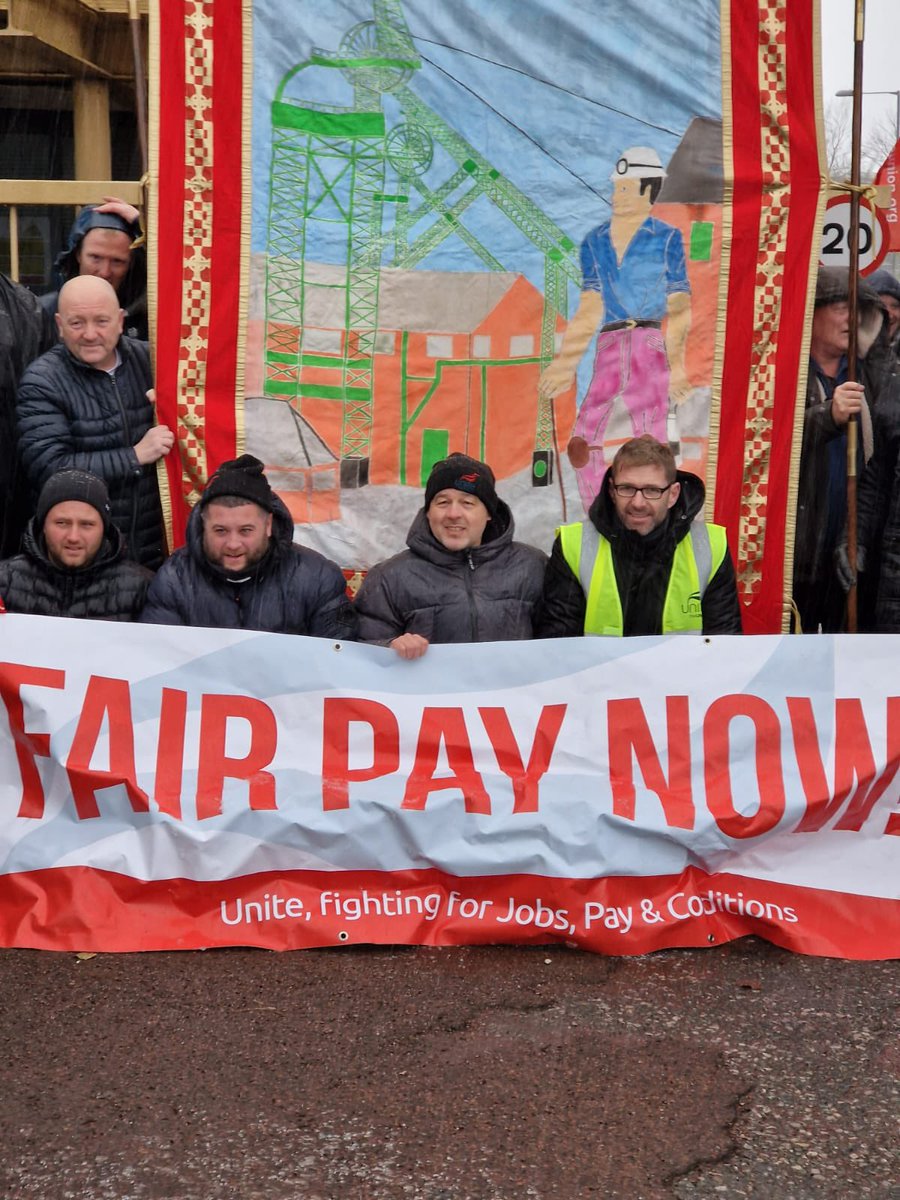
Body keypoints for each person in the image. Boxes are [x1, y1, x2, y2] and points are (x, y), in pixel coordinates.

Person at [538, 147, 692, 511]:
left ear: (647, 190)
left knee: (651, 438)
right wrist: (564, 364)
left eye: (624, 188)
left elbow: (679, 304)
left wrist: (678, 366)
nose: (615, 195)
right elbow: (590, 305)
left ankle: (650, 512)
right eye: (616, 187)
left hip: (649, 344)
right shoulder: (595, 241)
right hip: (610, 342)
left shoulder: (666, 238)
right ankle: (598, 511)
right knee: (583, 440)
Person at [16, 275, 173, 570]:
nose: (90, 334)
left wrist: (173, 410)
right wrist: (134, 456)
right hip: (83, 557)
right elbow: (50, 468)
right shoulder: (42, 381)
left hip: (153, 547)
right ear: (60, 325)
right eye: (77, 323)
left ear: (120, 321)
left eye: (101, 321)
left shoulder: (153, 362)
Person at [538, 435, 741, 637]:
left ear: (673, 494)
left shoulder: (711, 547)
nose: (638, 503)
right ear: (612, 491)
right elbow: (558, 645)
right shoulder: (572, 545)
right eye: (626, 488)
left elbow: (724, 644)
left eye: (652, 490)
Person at [140, 454, 357, 639]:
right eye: (220, 531)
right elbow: (157, 656)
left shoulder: (318, 577)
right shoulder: (175, 578)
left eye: (245, 531)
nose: (233, 544)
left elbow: (339, 658)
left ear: (268, 525)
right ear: (204, 525)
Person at [355, 453, 546, 658]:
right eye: (443, 502)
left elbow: (557, 644)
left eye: (467, 503)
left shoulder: (532, 566)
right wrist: (388, 646)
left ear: (489, 513)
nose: (454, 514)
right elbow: (359, 651)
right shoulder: (388, 578)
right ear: (428, 512)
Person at [792, 268, 884, 633]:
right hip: (797, 556)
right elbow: (770, 440)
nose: (852, 319)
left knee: (844, 654)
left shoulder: (871, 375)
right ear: (811, 314)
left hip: (852, 554)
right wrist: (827, 416)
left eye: (857, 310)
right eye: (841, 308)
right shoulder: (787, 372)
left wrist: (859, 539)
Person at [0, 469, 151, 621]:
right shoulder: (5, 581)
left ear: (104, 529)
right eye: (61, 523)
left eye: (87, 525)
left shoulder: (141, 589)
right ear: (43, 526)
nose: (73, 537)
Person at [41, 198, 148, 341]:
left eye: (117, 261)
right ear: (78, 255)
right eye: (95, 258)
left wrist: (142, 226)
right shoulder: (43, 313)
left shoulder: (147, 316)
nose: (105, 272)